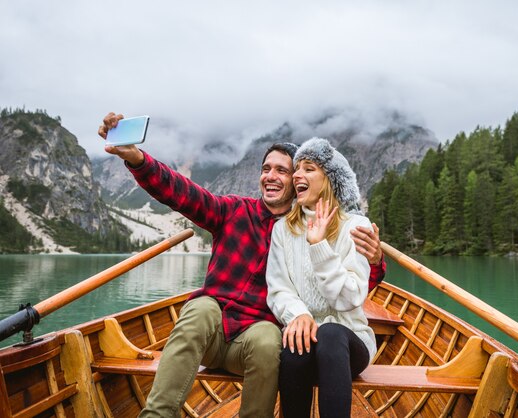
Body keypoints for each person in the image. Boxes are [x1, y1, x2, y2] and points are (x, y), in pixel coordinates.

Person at [97, 113, 385, 418]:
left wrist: (376, 260)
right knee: (201, 308)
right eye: (266, 169)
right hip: (214, 330)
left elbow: (355, 287)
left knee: (272, 339)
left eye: (283, 171)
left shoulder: (311, 228)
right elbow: (180, 193)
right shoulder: (235, 212)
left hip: (258, 339)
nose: (271, 176)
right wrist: (137, 159)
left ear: (302, 183)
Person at [266, 137, 377, 418]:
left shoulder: (356, 226)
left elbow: (351, 298)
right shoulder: (282, 230)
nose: (297, 175)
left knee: (328, 334)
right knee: (294, 346)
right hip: (305, 340)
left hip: (349, 344)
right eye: (297, 169)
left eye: (309, 168)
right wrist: (299, 315)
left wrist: (319, 247)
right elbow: (279, 290)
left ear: (329, 178)